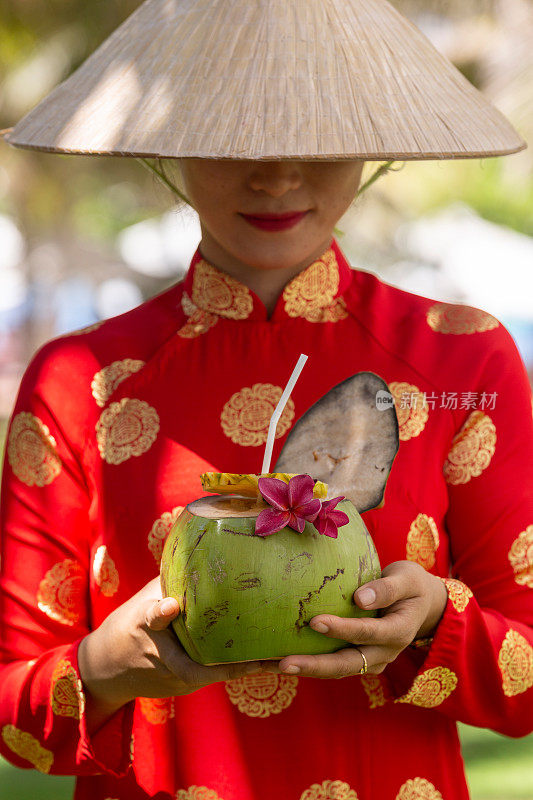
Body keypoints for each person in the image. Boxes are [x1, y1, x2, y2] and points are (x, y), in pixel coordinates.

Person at [1, 2, 532, 799]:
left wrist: (434, 621)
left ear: (372, 143)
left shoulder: (460, 357)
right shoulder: (80, 380)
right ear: (166, 139)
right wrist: (104, 670)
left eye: (319, 136)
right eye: (231, 134)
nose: (277, 173)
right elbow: (14, 707)